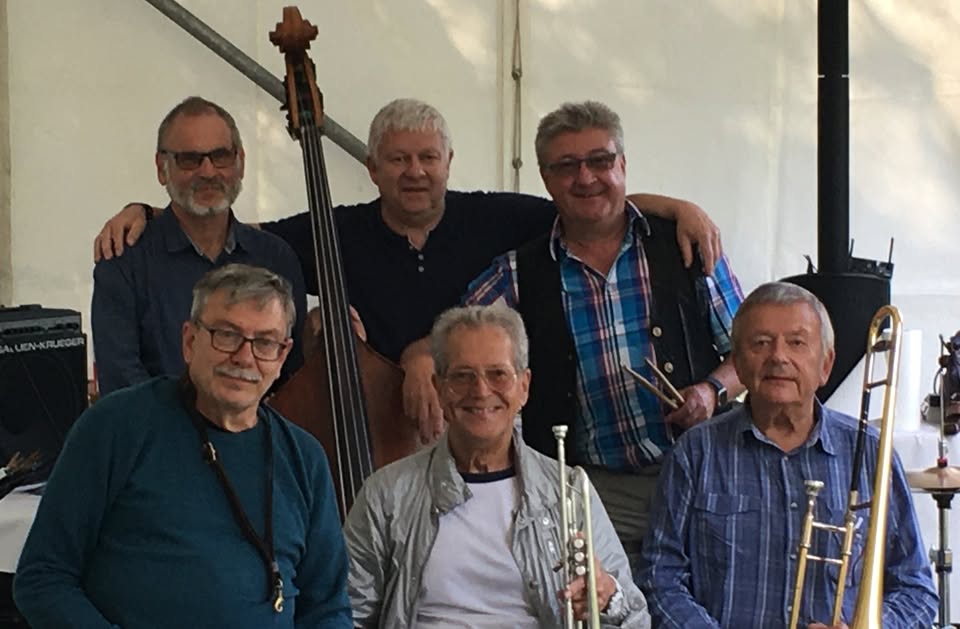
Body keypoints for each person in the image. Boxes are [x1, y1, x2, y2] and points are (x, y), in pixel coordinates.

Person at [93, 98, 723, 441]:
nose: (414, 172)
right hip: (367, 435)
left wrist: (675, 208)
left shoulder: (500, 217)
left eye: (427, 157)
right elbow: (222, 223)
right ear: (372, 168)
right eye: (397, 160)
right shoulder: (321, 235)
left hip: (473, 427)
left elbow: (585, 205)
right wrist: (148, 211)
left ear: (448, 161)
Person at [420, 101, 744, 565]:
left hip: (701, 474)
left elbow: (748, 354)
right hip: (592, 493)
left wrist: (712, 391)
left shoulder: (684, 245)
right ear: (546, 178)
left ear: (623, 165)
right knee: (598, 600)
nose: (586, 177)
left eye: (600, 160)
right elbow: (455, 335)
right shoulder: (519, 272)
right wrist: (418, 358)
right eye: (567, 166)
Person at [14, 264, 351, 628]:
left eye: (265, 342)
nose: (244, 357)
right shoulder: (116, 427)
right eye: (227, 335)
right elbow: (43, 577)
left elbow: (328, 609)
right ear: (190, 341)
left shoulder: (305, 458)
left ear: (282, 356)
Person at [637, 282, 937, 628]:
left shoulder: (871, 452)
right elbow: (660, 579)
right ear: (738, 364)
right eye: (761, 343)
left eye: (797, 343)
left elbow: (916, 589)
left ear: (826, 365)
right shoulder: (694, 452)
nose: (778, 356)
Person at [344, 303, 650, 628]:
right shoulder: (386, 494)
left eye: (498, 374)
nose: (480, 391)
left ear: (524, 387)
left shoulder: (569, 489)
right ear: (439, 388)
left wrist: (608, 597)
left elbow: (635, 618)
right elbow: (346, 614)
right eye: (462, 376)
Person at [91, 96, 307, 396]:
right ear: (161, 168)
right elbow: (121, 381)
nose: (207, 172)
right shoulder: (124, 260)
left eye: (220, 156)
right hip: (155, 426)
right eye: (189, 160)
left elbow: (290, 374)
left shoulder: (276, 257)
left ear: (241, 163)